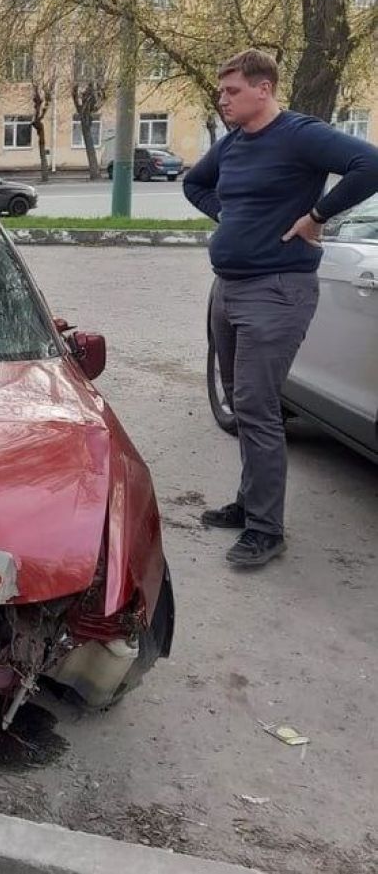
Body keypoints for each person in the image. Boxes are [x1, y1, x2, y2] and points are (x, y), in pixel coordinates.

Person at [184, 49, 378, 568]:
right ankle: (251, 504)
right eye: (221, 92)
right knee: (241, 405)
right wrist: (228, 216)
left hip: (277, 290)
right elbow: (193, 183)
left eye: (232, 91)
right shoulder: (232, 146)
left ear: (263, 89)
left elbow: (370, 164)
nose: (222, 100)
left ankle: (267, 531)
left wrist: (317, 216)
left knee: (257, 405)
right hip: (228, 288)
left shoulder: (298, 134)